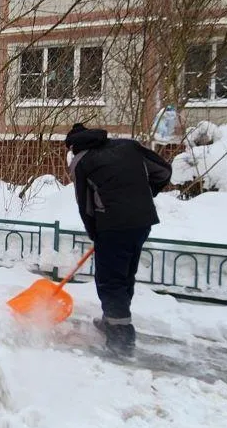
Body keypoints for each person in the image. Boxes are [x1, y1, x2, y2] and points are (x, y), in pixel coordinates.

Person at [65, 122, 172, 356]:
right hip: (142, 222)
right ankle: (113, 321)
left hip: (113, 226)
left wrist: (96, 233)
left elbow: (85, 205)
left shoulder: (82, 161)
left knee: (110, 280)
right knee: (124, 275)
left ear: (74, 146)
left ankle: (121, 341)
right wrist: (141, 193)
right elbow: (163, 171)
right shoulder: (128, 146)